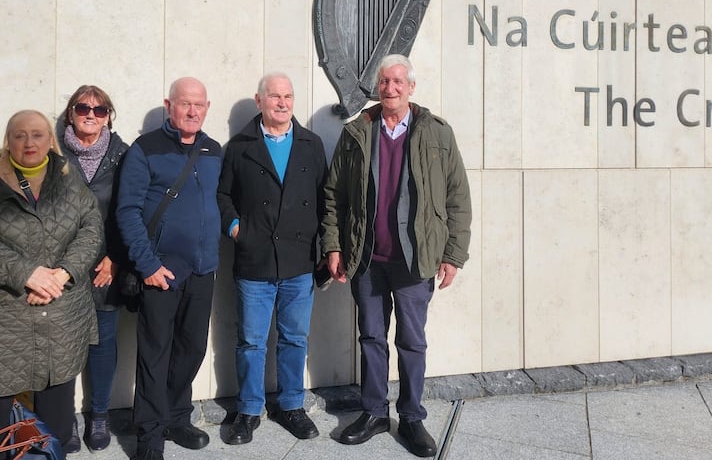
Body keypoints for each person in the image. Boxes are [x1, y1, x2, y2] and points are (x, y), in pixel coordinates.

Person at [321, 54, 472, 458]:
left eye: (398, 81)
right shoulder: (357, 132)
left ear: (411, 87)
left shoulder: (437, 133)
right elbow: (333, 196)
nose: (390, 88)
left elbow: (458, 197)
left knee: (411, 341)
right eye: (385, 81)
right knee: (371, 337)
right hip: (367, 259)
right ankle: (372, 412)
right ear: (378, 86)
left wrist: (453, 254)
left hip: (414, 260)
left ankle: (411, 417)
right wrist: (334, 245)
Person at [217, 72, 328, 445]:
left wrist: (327, 248)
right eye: (274, 97)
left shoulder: (311, 144)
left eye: (288, 96)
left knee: (294, 338)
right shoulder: (239, 146)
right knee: (251, 341)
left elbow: (325, 198)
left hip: (298, 261)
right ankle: (249, 410)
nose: (282, 103)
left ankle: (292, 406)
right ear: (259, 100)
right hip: (255, 260)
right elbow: (223, 195)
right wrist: (235, 227)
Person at [116, 77, 222, 460]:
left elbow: (218, 203)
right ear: (169, 105)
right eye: (185, 104)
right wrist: (147, 265)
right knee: (154, 355)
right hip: (160, 272)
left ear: (207, 108)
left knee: (191, 348)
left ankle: (178, 416)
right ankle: (149, 435)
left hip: (202, 271)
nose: (192, 111)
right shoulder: (145, 150)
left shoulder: (213, 150)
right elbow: (127, 211)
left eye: (199, 105)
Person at [0, 110, 103, 459]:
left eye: (37, 134)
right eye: (19, 135)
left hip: (62, 322)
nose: (29, 143)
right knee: (6, 434)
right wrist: (26, 273)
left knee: (56, 428)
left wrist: (62, 273)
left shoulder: (66, 175)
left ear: (50, 139)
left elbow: (92, 228)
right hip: (9, 324)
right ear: (7, 141)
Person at [59, 85, 129, 452]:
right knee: (65, 347)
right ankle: (64, 419)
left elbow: (129, 211)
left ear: (108, 116)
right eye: (83, 108)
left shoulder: (122, 155)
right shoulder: (52, 153)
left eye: (100, 110)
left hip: (105, 267)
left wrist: (115, 257)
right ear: (70, 113)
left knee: (102, 344)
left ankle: (98, 415)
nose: (91, 114)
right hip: (62, 270)